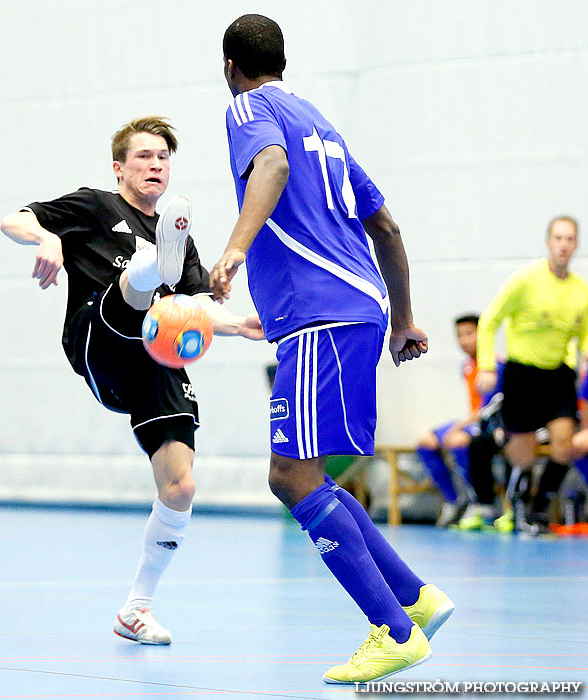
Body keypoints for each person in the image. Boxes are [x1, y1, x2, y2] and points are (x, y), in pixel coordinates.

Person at [211, 14, 454, 685]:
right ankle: (413, 597)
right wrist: (402, 316)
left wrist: (235, 245)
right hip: (357, 308)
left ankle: (393, 630)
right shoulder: (322, 124)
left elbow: (272, 163)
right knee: (306, 474)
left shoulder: (247, 108)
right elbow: (386, 223)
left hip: (320, 313)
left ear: (231, 65)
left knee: (289, 476)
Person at [0, 116, 263, 645]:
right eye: (144, 157)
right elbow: (12, 220)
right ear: (120, 168)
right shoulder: (96, 206)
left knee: (181, 485)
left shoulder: (181, 244)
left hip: (156, 362)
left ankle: (136, 608)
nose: (156, 165)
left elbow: (196, 311)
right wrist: (47, 238)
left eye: (163, 158)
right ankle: (145, 271)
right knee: (134, 293)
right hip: (101, 339)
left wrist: (242, 325)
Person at [476, 216, 588, 534]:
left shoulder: (581, 291)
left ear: (576, 245)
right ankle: (520, 508)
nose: (564, 244)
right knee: (522, 458)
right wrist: (486, 365)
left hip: (559, 378)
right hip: (522, 375)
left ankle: (540, 506)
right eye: (558, 238)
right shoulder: (526, 280)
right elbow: (490, 320)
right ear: (549, 242)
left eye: (570, 239)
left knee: (564, 447)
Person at [415, 314, 502, 527]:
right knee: (425, 442)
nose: (464, 340)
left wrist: (457, 428)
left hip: (490, 425)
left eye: (469, 334)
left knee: (457, 440)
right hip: (471, 420)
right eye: (460, 335)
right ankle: (454, 500)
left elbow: (487, 410)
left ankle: (477, 500)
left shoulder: (495, 366)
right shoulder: (467, 366)